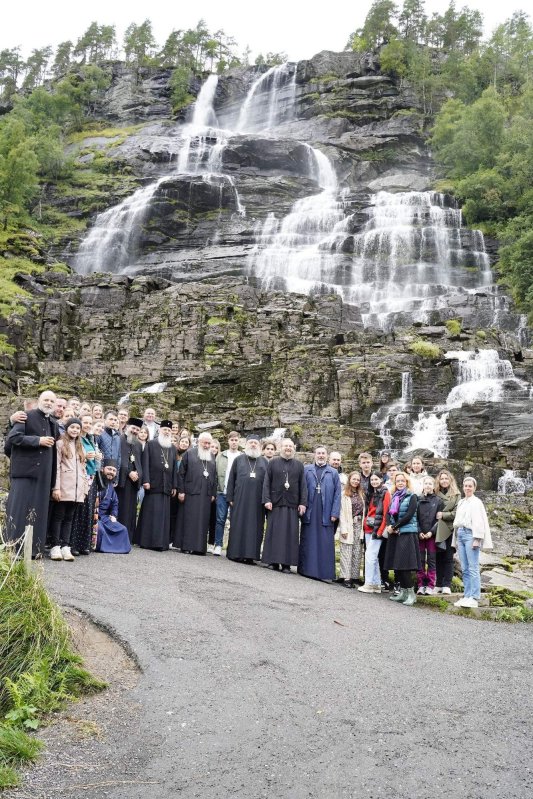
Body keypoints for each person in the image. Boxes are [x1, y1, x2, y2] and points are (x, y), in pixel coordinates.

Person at [4, 390, 59, 557]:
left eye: (52, 401)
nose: (49, 403)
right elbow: (14, 438)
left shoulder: (54, 424)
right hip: (24, 472)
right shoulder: (25, 416)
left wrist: (53, 479)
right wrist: (38, 440)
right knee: (19, 510)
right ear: (39, 400)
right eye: (46, 399)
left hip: (43, 475)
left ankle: (34, 550)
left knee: (39, 512)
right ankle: (13, 549)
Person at [262, 438, 307, 573]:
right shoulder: (273, 463)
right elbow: (266, 482)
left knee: (290, 535)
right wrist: (267, 500)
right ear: (281, 447)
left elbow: (303, 486)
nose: (288, 448)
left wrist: (303, 503)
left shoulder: (299, 465)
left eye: (290, 446)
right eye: (286, 446)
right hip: (275, 502)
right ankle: (273, 561)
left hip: (292, 504)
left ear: (294, 448)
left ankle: (287, 564)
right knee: (274, 532)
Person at [297, 446, 340, 582]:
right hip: (310, 510)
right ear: (314, 455)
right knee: (308, 539)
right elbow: (301, 489)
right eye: (318, 453)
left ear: (326, 456)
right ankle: (306, 569)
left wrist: (334, 513)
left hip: (326, 512)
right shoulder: (306, 470)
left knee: (325, 541)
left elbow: (337, 495)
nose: (321, 455)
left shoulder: (333, 473)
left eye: (323, 453)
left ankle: (324, 573)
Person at [49, 418, 88, 561]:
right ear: (66, 428)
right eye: (72, 427)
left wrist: (84, 488)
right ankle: (55, 546)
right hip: (64, 487)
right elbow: (57, 468)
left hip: (77, 491)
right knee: (58, 517)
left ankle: (66, 546)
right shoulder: (60, 444)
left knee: (69, 518)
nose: (75, 430)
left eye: (78, 428)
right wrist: (56, 488)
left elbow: (83, 469)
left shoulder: (80, 447)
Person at [135, 421, 178, 551]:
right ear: (160, 430)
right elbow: (145, 463)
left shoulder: (172, 447)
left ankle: (161, 543)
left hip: (166, 486)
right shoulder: (151, 444)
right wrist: (146, 480)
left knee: (163, 515)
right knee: (151, 513)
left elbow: (174, 468)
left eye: (169, 431)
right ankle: (147, 541)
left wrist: (174, 486)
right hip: (153, 484)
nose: (166, 432)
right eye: (165, 429)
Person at [226, 434, 268, 563]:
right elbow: (231, 479)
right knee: (238, 525)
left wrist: (266, 499)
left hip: (257, 501)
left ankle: (250, 555)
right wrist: (230, 497)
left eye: (256, 443)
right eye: (251, 443)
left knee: (254, 528)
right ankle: (235, 553)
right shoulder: (238, 459)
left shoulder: (264, 461)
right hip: (240, 499)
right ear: (246, 444)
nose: (253, 445)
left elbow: (267, 483)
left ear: (259, 445)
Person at [452, 477, 492, 609]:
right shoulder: (462, 502)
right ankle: (467, 595)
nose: (467, 488)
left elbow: (479, 521)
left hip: (471, 535)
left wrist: (477, 538)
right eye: (466, 486)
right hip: (461, 534)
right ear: (463, 487)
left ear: (474, 488)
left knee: (473, 567)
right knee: (464, 568)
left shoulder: (477, 502)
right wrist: (456, 539)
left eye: (470, 486)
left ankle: (474, 597)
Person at [177, 432, 216, 555]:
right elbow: (181, 474)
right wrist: (181, 491)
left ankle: (199, 548)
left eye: (209, 443)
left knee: (202, 521)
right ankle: (187, 546)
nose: (207, 445)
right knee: (190, 520)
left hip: (206, 495)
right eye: (205, 442)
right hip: (191, 492)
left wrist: (213, 493)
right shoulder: (190, 453)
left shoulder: (212, 456)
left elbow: (214, 477)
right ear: (199, 442)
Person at [384, 472, 420, 606]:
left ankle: (411, 594)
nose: (400, 483)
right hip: (396, 534)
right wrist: (389, 526)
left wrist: (395, 526)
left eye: (402, 481)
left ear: (407, 482)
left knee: (405, 566)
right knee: (398, 565)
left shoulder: (412, 496)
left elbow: (409, 515)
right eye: (398, 481)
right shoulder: (394, 497)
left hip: (407, 534)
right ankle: (403, 593)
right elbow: (388, 513)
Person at [358, 472, 391, 594]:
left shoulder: (385, 493)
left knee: (370, 556)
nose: (374, 482)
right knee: (374, 557)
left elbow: (386, 513)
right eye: (372, 480)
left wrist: (381, 531)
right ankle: (376, 584)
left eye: (376, 479)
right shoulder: (372, 493)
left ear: (382, 479)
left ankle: (369, 584)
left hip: (376, 530)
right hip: (368, 528)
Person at [71, 414, 99, 555]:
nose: (87, 425)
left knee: (88, 511)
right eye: (85, 422)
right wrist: (85, 456)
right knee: (79, 511)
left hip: (91, 477)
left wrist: (97, 456)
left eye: (90, 422)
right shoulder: (77, 438)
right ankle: (74, 545)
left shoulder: (90, 438)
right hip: (81, 476)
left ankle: (84, 544)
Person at [116, 417, 144, 542]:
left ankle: (127, 537)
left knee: (131, 511)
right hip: (121, 481)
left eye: (137, 430)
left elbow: (138, 461)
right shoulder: (119, 439)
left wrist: (138, 473)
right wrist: (128, 472)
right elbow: (118, 459)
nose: (135, 431)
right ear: (127, 427)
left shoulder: (138, 444)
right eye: (133, 428)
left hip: (133, 483)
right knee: (121, 509)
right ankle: (118, 537)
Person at [95, 460, 132, 554]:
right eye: (109, 469)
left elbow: (115, 503)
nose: (111, 472)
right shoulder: (95, 481)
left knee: (123, 529)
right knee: (100, 530)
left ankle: (116, 549)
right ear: (103, 469)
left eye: (114, 471)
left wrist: (113, 515)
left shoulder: (110, 486)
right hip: (93, 516)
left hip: (104, 517)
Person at [214, 431, 241, 556]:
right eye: (232, 440)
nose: (234, 442)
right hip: (221, 492)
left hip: (236, 495)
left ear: (239, 441)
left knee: (236, 521)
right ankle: (218, 545)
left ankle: (233, 546)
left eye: (236, 440)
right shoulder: (221, 455)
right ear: (228, 441)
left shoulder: (242, 457)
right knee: (220, 519)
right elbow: (214, 473)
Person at [416, 476, 444, 595]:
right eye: (426, 483)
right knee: (420, 560)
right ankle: (421, 585)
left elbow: (440, 520)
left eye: (430, 484)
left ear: (433, 486)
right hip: (420, 535)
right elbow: (415, 518)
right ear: (423, 485)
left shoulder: (438, 501)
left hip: (432, 535)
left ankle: (431, 585)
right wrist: (419, 531)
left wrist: (431, 532)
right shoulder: (418, 500)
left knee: (431, 560)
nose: (428, 486)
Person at [338, 471, 366, 588]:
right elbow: (341, 513)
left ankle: (354, 576)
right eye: (354, 479)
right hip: (348, 525)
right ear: (349, 479)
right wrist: (343, 529)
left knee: (357, 551)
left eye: (358, 480)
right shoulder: (344, 494)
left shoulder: (361, 494)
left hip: (359, 525)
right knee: (346, 551)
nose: (356, 481)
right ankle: (346, 577)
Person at [435, 469, 460, 595]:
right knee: (438, 557)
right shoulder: (435, 493)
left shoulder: (456, 495)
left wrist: (443, 515)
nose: (444, 481)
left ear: (450, 480)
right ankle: (438, 583)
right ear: (438, 480)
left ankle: (447, 584)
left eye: (446, 478)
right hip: (437, 529)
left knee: (448, 558)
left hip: (450, 529)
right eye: (442, 478)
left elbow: (457, 513)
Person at [170, 435, 191, 549]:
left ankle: (177, 539)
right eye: (182, 441)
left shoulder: (190, 455)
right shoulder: (174, 453)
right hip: (175, 487)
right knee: (172, 514)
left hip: (183, 488)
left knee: (180, 515)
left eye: (186, 442)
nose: (184, 444)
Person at [207, 438, 220, 553]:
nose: (214, 449)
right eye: (212, 447)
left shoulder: (219, 461)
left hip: (216, 493)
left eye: (216, 447)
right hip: (205, 492)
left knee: (213, 519)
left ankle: (211, 543)